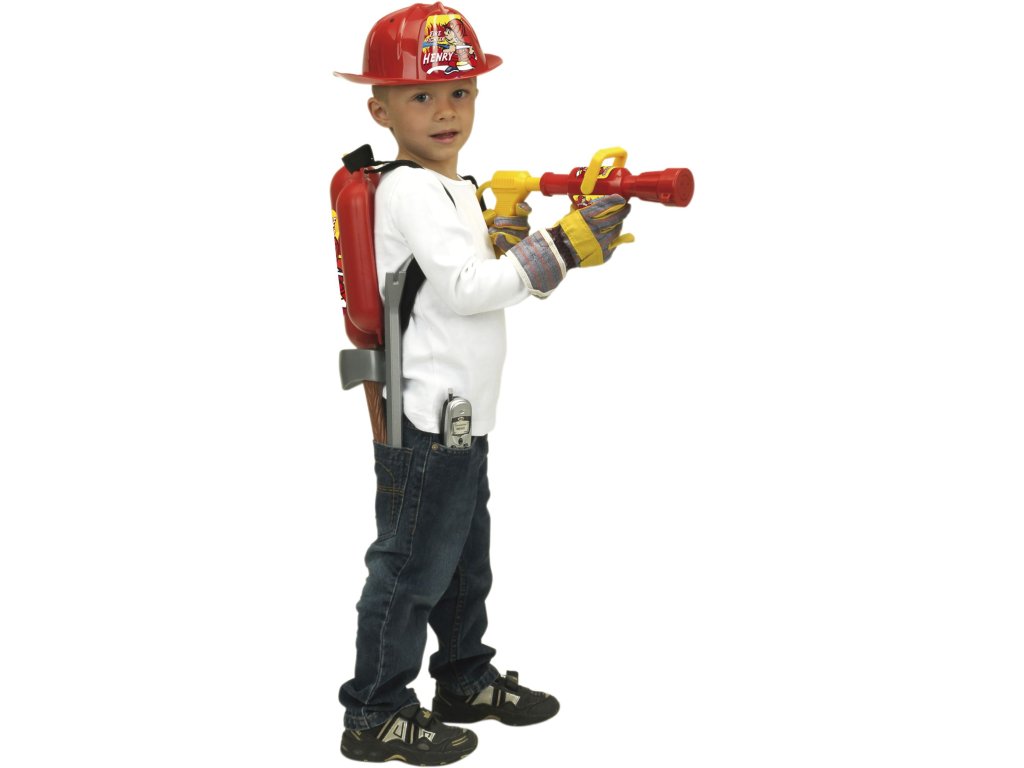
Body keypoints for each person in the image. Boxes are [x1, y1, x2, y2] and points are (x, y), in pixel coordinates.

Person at [333, 4, 631, 764]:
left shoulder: (450, 187)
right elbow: (469, 289)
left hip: (462, 415)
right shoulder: (410, 190)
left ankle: (464, 678)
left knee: (465, 561)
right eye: (422, 95)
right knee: (410, 569)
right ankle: (375, 711)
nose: (446, 111)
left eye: (460, 92)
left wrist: (522, 243)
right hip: (428, 416)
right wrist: (560, 246)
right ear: (380, 108)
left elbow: (474, 277)